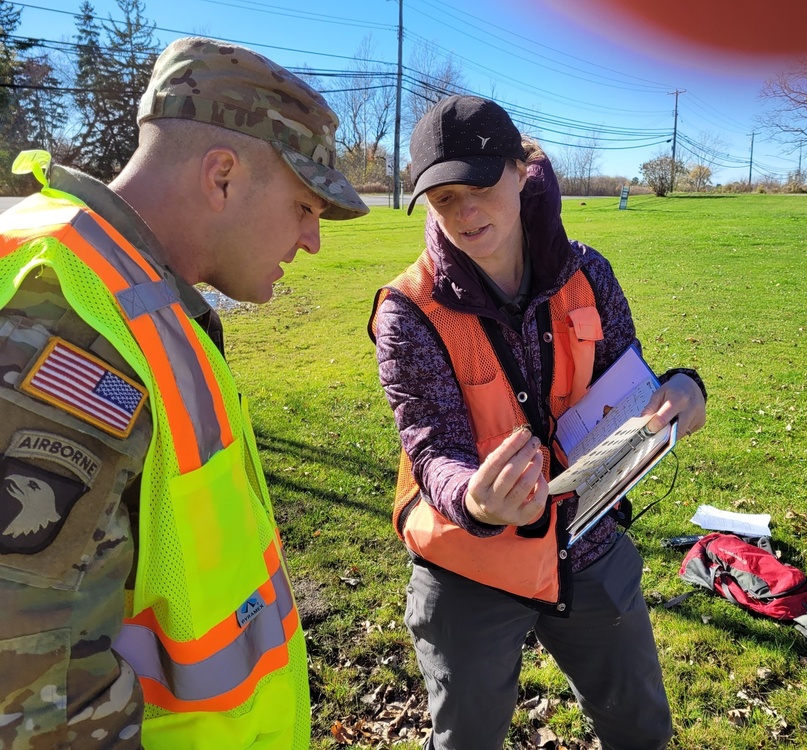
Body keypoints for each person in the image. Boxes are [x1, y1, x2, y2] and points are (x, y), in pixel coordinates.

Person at [0, 37, 367, 749]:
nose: (314, 241)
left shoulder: (122, 292)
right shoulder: (71, 325)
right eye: (303, 207)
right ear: (223, 176)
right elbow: (34, 705)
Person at [369, 95, 707, 750]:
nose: (464, 213)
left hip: (588, 543)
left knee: (642, 730)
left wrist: (683, 388)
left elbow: (625, 383)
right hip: (467, 563)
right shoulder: (406, 312)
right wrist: (476, 498)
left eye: (480, 185)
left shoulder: (589, 273)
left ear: (521, 171)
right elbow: (431, 443)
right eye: (442, 199)